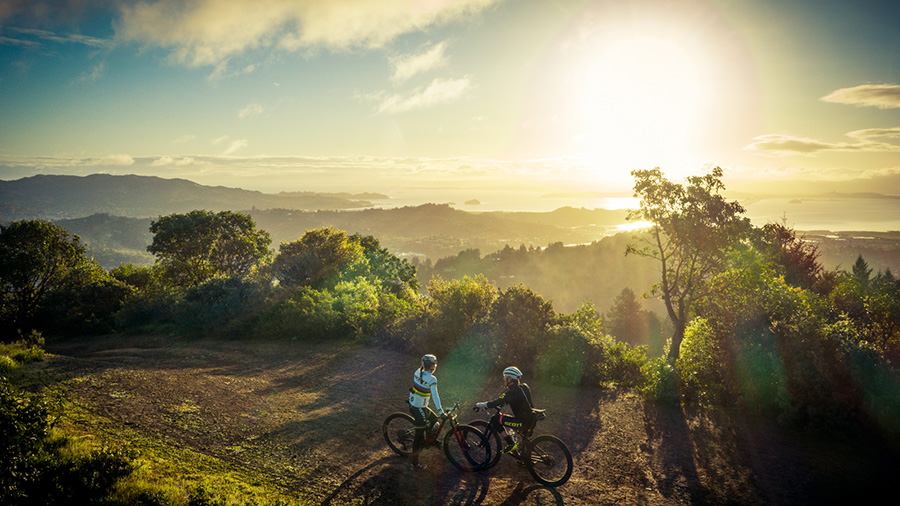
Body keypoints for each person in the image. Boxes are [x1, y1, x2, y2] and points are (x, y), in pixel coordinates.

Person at [475, 366, 534, 454]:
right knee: (523, 439)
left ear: (510, 379)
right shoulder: (524, 387)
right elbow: (517, 400)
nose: (503, 378)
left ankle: (510, 443)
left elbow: (497, 402)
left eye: (505, 377)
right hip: (531, 418)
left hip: (522, 422)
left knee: (495, 419)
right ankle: (526, 460)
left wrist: (481, 404)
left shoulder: (510, 393)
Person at [407, 353, 445, 470]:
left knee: (433, 419)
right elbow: (435, 395)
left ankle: (429, 440)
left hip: (416, 404)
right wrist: (441, 411)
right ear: (432, 367)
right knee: (418, 436)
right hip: (418, 408)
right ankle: (414, 464)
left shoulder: (417, 371)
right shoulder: (432, 378)